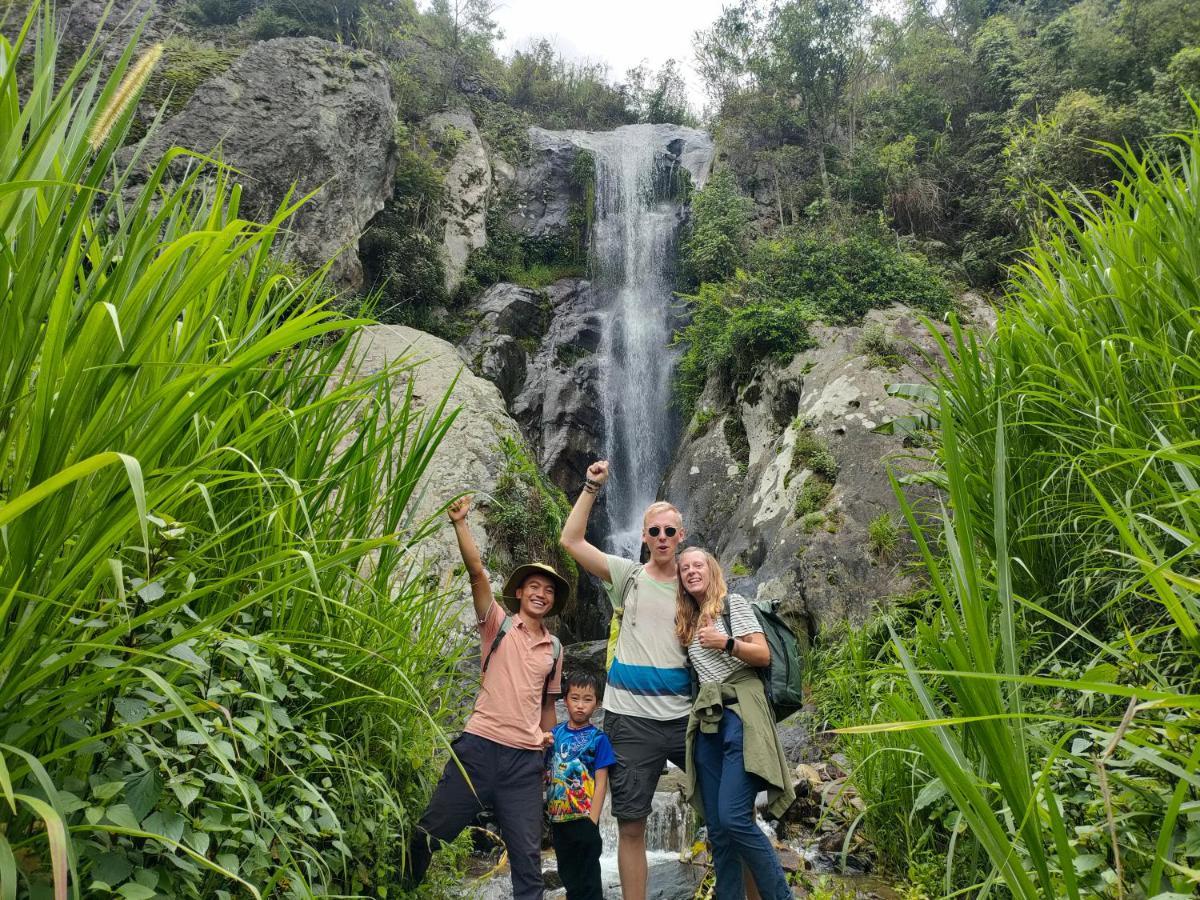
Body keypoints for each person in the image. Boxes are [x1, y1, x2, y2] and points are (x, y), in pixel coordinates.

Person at [403, 495, 567, 900]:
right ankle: (401, 888)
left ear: (552, 602)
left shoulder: (556, 649)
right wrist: (461, 523)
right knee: (430, 834)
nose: (540, 594)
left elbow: (548, 704)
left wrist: (549, 744)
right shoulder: (498, 626)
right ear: (520, 592)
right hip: (478, 749)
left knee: (528, 863)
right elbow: (477, 574)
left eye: (548, 590)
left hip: (524, 763)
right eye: (534, 586)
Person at [560, 460, 691, 900]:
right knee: (631, 823)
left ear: (681, 537)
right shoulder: (627, 576)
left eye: (669, 531)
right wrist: (591, 486)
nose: (661, 539)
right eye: (653, 531)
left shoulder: (696, 584)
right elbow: (571, 540)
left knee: (729, 812)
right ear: (643, 536)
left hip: (685, 718)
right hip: (630, 721)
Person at [676, 547, 795, 900]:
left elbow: (762, 654)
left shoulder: (733, 604)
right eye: (685, 569)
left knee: (734, 818)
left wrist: (725, 642)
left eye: (698, 565)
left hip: (741, 714)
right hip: (709, 721)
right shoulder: (688, 620)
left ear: (712, 570)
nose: (692, 572)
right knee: (718, 828)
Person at [546, 670, 617, 900]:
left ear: (597, 704)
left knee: (589, 882)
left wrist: (592, 821)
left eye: (587, 699)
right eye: (575, 698)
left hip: (584, 819)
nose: (580, 705)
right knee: (569, 877)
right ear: (565, 700)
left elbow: (601, 782)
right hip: (558, 820)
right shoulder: (554, 735)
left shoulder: (599, 739)